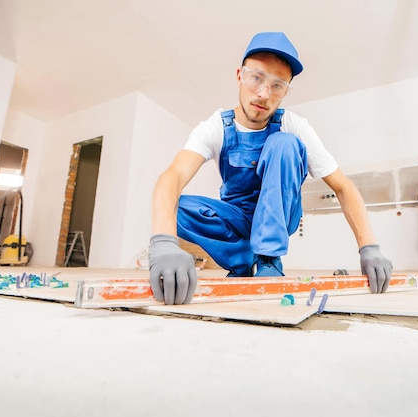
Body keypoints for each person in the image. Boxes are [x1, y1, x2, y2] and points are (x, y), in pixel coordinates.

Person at [149, 32, 393, 305]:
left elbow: (343, 187)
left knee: (285, 144)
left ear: (286, 91)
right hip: (238, 217)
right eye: (256, 78)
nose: (264, 94)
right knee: (176, 207)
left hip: (281, 214)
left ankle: (268, 258)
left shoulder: (293, 125)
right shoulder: (215, 126)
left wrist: (369, 247)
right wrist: (163, 241)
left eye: (278, 86)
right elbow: (174, 175)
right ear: (239, 75)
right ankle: (243, 261)